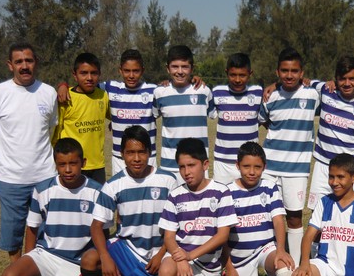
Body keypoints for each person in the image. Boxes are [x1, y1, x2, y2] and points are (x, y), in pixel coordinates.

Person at [79, 126, 178, 276]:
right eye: (130, 152)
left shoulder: (168, 181)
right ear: (122, 154)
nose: (136, 158)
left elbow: (177, 224)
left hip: (158, 254)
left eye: (141, 152)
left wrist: (162, 254)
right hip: (126, 249)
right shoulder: (114, 184)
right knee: (89, 260)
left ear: (150, 152)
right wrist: (105, 256)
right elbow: (97, 226)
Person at [0, 138, 101, 276]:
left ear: (84, 163)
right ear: (55, 165)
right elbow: (32, 228)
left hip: (78, 263)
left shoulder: (97, 192)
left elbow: (102, 235)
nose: (68, 169)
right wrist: (29, 257)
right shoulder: (42, 189)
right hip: (47, 255)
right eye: (62, 164)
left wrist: (96, 268)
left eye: (73, 163)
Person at [0, 42, 58, 276]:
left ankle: (43, 274)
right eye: (19, 61)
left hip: (44, 175)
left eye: (29, 60)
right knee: (13, 230)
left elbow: (50, 127)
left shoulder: (48, 93)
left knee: (45, 228)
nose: (24, 66)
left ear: (35, 62)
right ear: (10, 65)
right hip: (11, 177)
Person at [156, 138, 238, 276]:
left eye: (191, 165)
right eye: (182, 167)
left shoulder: (221, 192)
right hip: (180, 255)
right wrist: (179, 257)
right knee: (166, 270)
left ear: (205, 164)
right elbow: (168, 237)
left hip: (207, 261)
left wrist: (190, 257)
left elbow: (222, 236)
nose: (186, 172)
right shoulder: (175, 195)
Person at [223, 142, 294, 276]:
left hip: (265, 248)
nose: (252, 172)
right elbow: (223, 234)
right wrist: (228, 265)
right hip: (240, 256)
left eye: (257, 167)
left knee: (285, 269)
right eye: (246, 166)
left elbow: (279, 219)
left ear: (264, 166)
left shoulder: (270, 186)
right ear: (238, 165)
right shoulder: (227, 192)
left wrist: (280, 249)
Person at [258, 47, 320, 266]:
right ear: (277, 72)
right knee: (267, 215)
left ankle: (293, 264)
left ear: (302, 73)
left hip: (297, 169)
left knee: (294, 216)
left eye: (294, 71)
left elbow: (336, 89)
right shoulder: (270, 96)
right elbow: (264, 121)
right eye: (284, 70)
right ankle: (269, 260)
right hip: (270, 167)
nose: (289, 75)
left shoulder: (312, 94)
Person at [58, 49, 160, 175]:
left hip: (147, 156)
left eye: (136, 71)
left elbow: (173, 92)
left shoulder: (154, 91)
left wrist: (191, 80)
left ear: (142, 70)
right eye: (127, 71)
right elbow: (85, 84)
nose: (131, 75)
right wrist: (63, 85)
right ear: (120, 70)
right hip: (120, 158)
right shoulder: (110, 88)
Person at [307, 56, 354, 210]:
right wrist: (274, 85)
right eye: (342, 78)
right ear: (336, 79)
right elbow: (303, 80)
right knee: (317, 214)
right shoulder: (326, 90)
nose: (347, 83)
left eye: (352, 78)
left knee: (350, 216)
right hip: (323, 165)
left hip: (350, 168)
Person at [153, 45, 213, 181]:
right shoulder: (159, 93)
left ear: (192, 68)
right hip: (170, 165)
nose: (180, 71)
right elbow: (153, 115)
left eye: (185, 66)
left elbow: (213, 114)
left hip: (197, 163)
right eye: (175, 66)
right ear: (167, 68)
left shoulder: (203, 91)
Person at [52, 52, 110, 184]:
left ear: (99, 74)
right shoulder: (65, 98)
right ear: (75, 75)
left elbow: (116, 118)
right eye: (83, 73)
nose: (89, 78)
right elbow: (55, 136)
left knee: (97, 203)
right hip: (72, 165)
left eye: (94, 73)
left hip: (97, 165)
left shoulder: (103, 96)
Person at [209, 53, 263, 185]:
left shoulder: (258, 93)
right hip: (223, 162)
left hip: (249, 162)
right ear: (227, 72)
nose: (238, 79)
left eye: (242, 75)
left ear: (250, 73)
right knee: (222, 201)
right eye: (233, 75)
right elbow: (209, 113)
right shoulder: (216, 93)